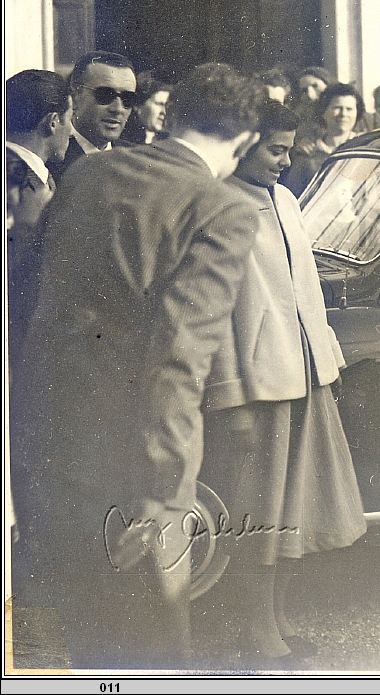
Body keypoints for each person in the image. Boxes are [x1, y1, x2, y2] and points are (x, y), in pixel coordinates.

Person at [10, 62, 264, 668]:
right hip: (131, 465)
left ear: (171, 117)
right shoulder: (222, 209)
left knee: (93, 640)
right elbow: (178, 360)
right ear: (247, 139)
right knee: (149, 649)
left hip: (47, 446)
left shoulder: (91, 172)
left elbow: (33, 297)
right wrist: (162, 494)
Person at [200, 100, 367, 663]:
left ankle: (275, 620)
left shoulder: (288, 199)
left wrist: (326, 360)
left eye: (289, 148)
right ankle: (254, 628)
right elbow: (217, 311)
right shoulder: (219, 204)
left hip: (304, 372)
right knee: (261, 510)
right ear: (244, 143)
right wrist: (230, 390)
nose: (285, 159)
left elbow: (306, 290)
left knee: (298, 507)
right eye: (275, 149)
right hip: (258, 381)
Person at [5, 69, 73, 348]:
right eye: (71, 118)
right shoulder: (14, 179)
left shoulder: (39, 177)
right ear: (53, 122)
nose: (71, 129)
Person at [55, 50, 137, 181]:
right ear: (74, 98)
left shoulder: (137, 160)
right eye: (105, 95)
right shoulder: (53, 160)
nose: (117, 109)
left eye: (127, 99)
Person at [282, 82, 365, 196]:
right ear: (323, 111)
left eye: (349, 109)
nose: (343, 114)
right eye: (337, 108)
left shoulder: (365, 146)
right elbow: (292, 195)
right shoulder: (308, 152)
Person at [121, 73, 172, 145]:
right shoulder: (121, 139)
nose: (164, 112)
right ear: (138, 105)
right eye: (159, 104)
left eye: (167, 106)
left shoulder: (168, 142)